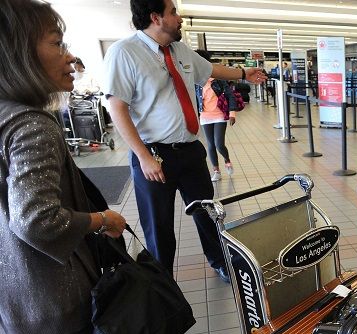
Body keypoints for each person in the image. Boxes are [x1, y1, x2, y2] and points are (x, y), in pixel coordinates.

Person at [0, 1, 145, 334]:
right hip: (51, 288)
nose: (69, 56)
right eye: (57, 43)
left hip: (18, 283)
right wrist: (101, 220)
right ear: (21, 53)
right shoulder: (30, 124)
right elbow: (37, 219)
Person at [102, 0, 268, 279]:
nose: (179, 18)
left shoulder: (179, 50)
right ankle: (162, 279)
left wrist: (243, 74)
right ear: (156, 18)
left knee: (208, 213)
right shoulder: (124, 52)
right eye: (173, 12)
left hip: (190, 150)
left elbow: (211, 69)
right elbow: (116, 108)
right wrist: (143, 156)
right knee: (159, 224)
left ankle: (220, 261)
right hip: (154, 155)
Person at [194, 49, 238, 182]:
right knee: (210, 145)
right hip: (205, 116)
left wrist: (232, 113)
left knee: (219, 144)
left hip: (219, 115)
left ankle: (227, 160)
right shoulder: (195, 81)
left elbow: (230, 95)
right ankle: (216, 171)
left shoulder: (218, 79)